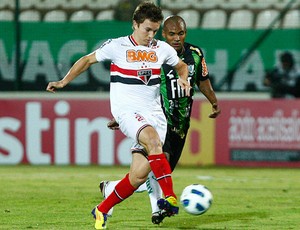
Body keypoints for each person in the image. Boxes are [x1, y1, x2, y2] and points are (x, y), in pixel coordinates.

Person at [46, 2, 191, 229]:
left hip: (155, 114)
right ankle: (170, 198)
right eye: (147, 30)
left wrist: (183, 77)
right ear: (135, 24)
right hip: (128, 113)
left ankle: (101, 209)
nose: (151, 35)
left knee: (138, 176)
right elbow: (86, 60)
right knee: (153, 142)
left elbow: (181, 66)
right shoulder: (117, 46)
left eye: (155, 30)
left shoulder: (161, 48)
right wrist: (63, 81)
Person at [100, 15, 221, 225]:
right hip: (156, 119)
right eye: (171, 34)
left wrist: (214, 102)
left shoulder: (195, 53)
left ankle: (111, 189)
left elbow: (202, 81)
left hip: (181, 123)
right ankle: (158, 208)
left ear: (186, 33)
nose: (176, 38)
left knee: (149, 173)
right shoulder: (153, 54)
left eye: (180, 33)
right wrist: (123, 115)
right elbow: (137, 89)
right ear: (164, 34)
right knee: (157, 162)